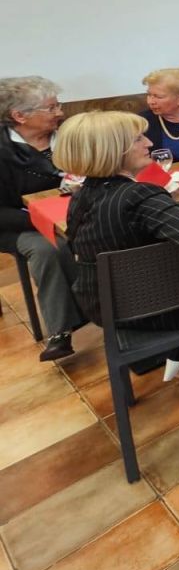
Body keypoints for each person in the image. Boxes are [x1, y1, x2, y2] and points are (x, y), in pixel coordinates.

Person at [54, 111, 179, 379]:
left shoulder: (81, 196)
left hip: (106, 307)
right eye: (138, 139)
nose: (149, 143)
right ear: (113, 150)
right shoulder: (137, 195)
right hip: (161, 309)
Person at [0, 77, 85, 362]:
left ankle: (114, 304)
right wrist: (43, 219)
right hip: (17, 223)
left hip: (74, 213)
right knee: (48, 249)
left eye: (58, 105)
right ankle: (61, 330)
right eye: (51, 108)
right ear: (19, 116)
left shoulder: (68, 135)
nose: (60, 112)